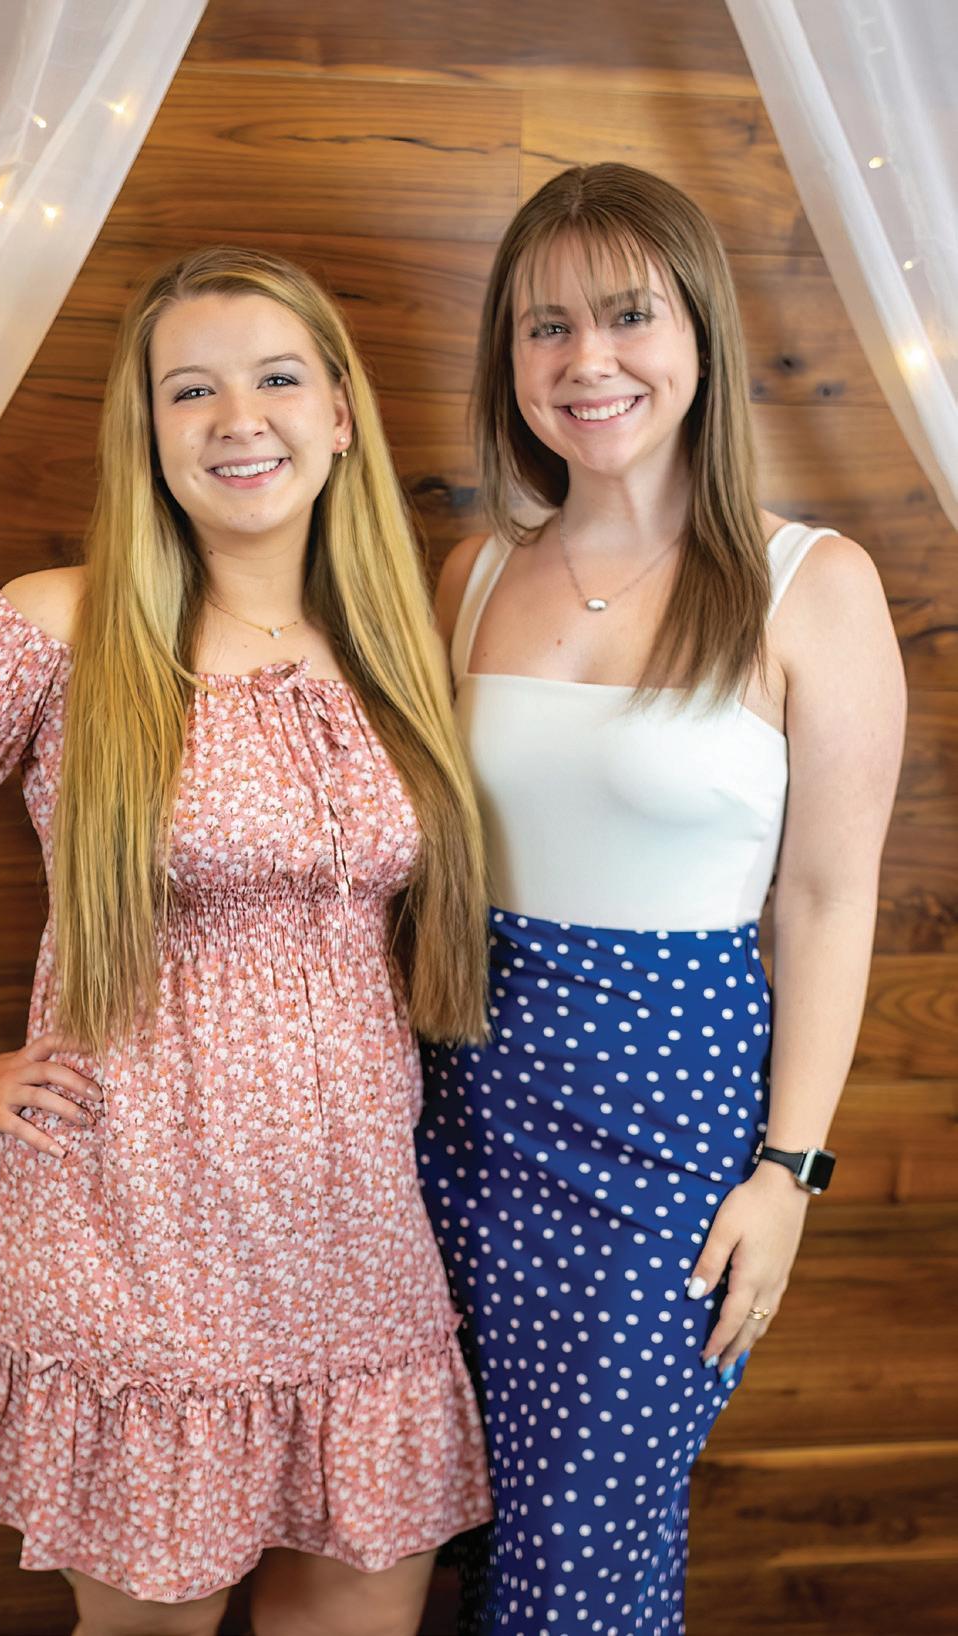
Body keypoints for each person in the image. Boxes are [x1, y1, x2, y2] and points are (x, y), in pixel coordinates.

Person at [0, 246, 495, 1636]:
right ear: (148, 432)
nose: (239, 420)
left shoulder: (398, 643)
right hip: (131, 1232)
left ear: (340, 414)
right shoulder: (62, 626)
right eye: (191, 390)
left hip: (354, 1238)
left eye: (276, 378)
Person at [415, 163, 906, 1635]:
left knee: (574, 1566)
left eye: (628, 315)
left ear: (699, 330)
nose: (589, 360)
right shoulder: (470, 571)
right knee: (440, 1537)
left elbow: (827, 901)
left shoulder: (811, 582)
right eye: (545, 326)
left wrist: (788, 1176)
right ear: (509, 359)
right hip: (452, 1121)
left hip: (666, 1152)